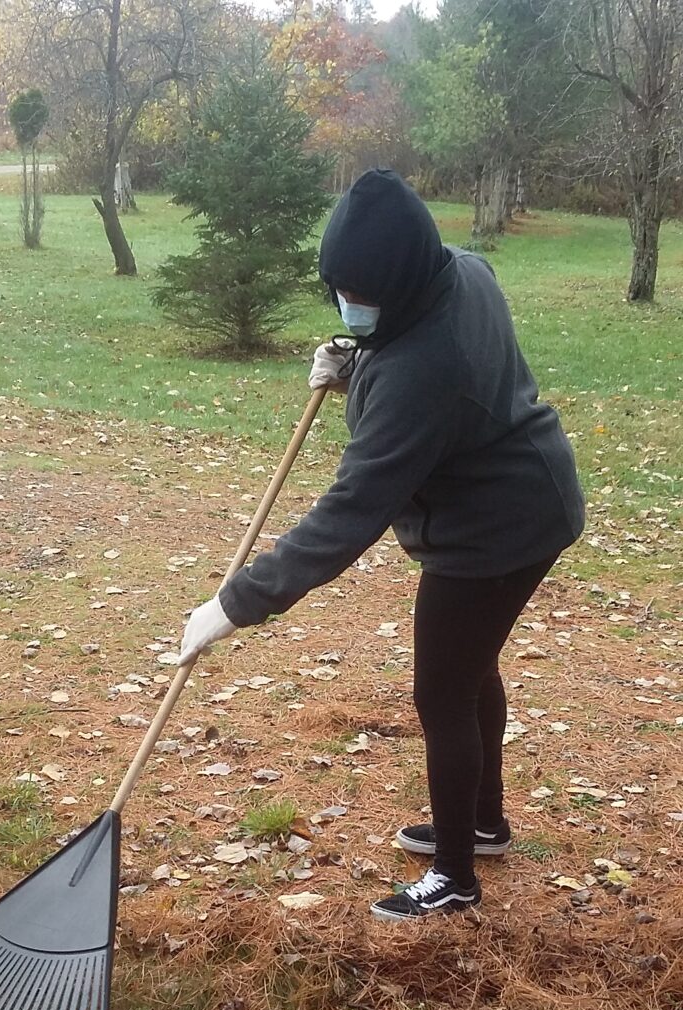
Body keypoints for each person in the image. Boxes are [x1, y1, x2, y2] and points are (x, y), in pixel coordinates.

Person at [178, 169, 585, 924]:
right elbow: (412, 336)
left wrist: (234, 603)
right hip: (531, 493)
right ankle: (484, 823)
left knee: (441, 689)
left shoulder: (422, 373)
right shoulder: (460, 268)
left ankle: (456, 876)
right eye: (339, 288)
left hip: (495, 532)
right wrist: (358, 359)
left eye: (361, 293)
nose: (348, 303)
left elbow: (347, 515)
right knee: (469, 670)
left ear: (397, 282)